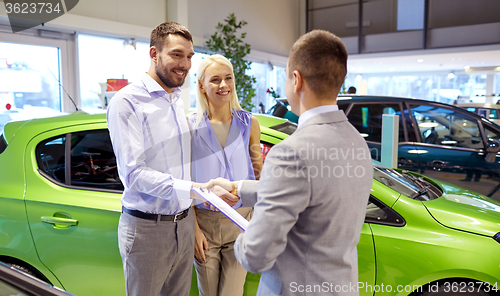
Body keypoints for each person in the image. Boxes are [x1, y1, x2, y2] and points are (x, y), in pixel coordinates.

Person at [211, 30, 373, 296]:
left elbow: (255, 255)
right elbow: (314, 190)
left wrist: (240, 238)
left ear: (296, 80)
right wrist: (238, 188)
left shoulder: (291, 152)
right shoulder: (356, 141)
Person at [107, 22, 207, 296]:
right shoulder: (127, 102)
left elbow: (180, 163)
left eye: (189, 57)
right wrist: (192, 189)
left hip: (183, 224)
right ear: (154, 54)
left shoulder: (175, 98)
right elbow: (133, 174)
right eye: (176, 54)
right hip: (148, 230)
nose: (185, 64)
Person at [188, 54, 263, 296]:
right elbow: (185, 182)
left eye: (228, 78)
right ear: (201, 85)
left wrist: (257, 222)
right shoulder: (189, 126)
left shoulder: (249, 123)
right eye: (215, 80)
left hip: (241, 221)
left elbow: (260, 177)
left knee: (232, 293)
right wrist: (194, 229)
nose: (223, 85)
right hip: (204, 222)